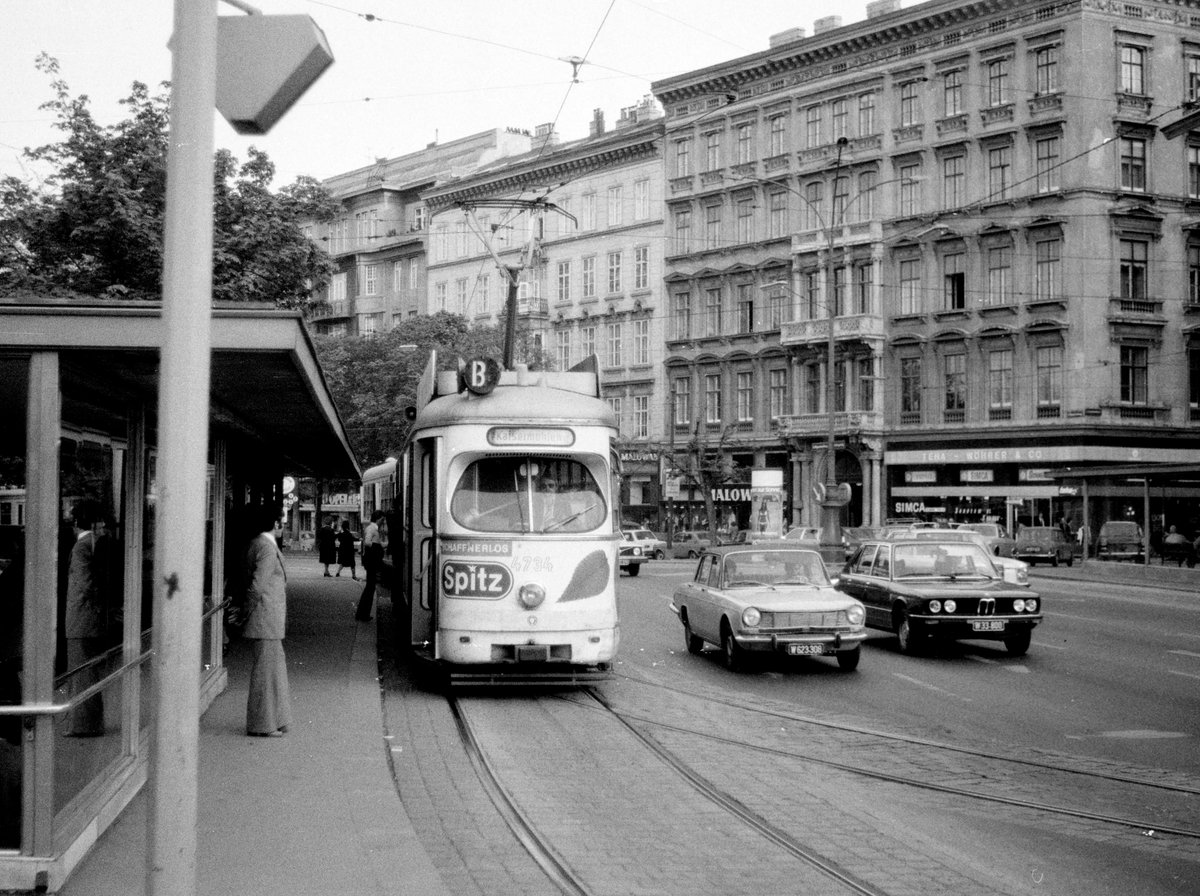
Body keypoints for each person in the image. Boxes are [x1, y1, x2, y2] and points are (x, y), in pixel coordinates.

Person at [242, 506, 291, 738]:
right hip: (266, 619)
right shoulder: (267, 548)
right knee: (266, 673)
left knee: (272, 670)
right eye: (282, 522)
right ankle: (263, 724)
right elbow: (258, 586)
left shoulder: (258, 544)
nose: (284, 526)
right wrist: (246, 611)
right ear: (275, 523)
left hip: (268, 620)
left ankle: (276, 719)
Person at [64, 499, 107, 736]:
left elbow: (84, 583)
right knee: (89, 671)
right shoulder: (95, 543)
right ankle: (91, 722)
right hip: (92, 619)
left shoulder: (80, 547)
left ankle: (82, 726)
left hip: (80, 618)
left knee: (80, 672)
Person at [355, 510, 385, 622]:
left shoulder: (372, 528)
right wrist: (377, 547)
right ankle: (363, 614)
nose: (383, 522)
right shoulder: (372, 529)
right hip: (372, 562)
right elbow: (368, 542)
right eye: (382, 519)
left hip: (370, 561)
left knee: (370, 587)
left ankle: (362, 613)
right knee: (370, 587)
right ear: (378, 518)